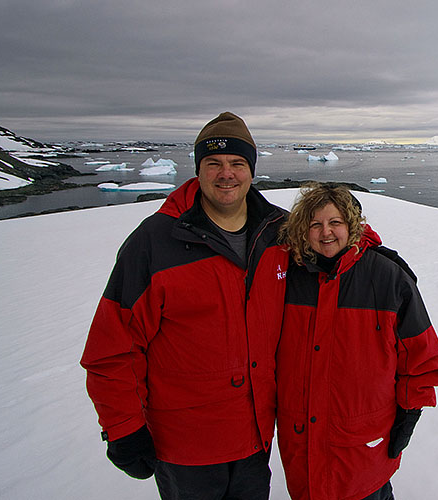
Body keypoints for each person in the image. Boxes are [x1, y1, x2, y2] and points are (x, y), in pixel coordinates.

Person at [80, 112, 290, 499]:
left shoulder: (279, 233)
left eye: (237, 163)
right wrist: (124, 428)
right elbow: (113, 348)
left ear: (251, 170)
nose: (226, 174)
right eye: (214, 164)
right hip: (185, 448)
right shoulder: (155, 242)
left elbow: (333, 247)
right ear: (198, 170)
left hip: (256, 436)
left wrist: (373, 249)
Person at [276, 183, 438, 500]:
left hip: (362, 449)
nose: (326, 232)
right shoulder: (288, 276)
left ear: (352, 224)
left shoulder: (387, 277)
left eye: (335, 222)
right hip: (302, 446)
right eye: (315, 224)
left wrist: (409, 415)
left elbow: (424, 359)